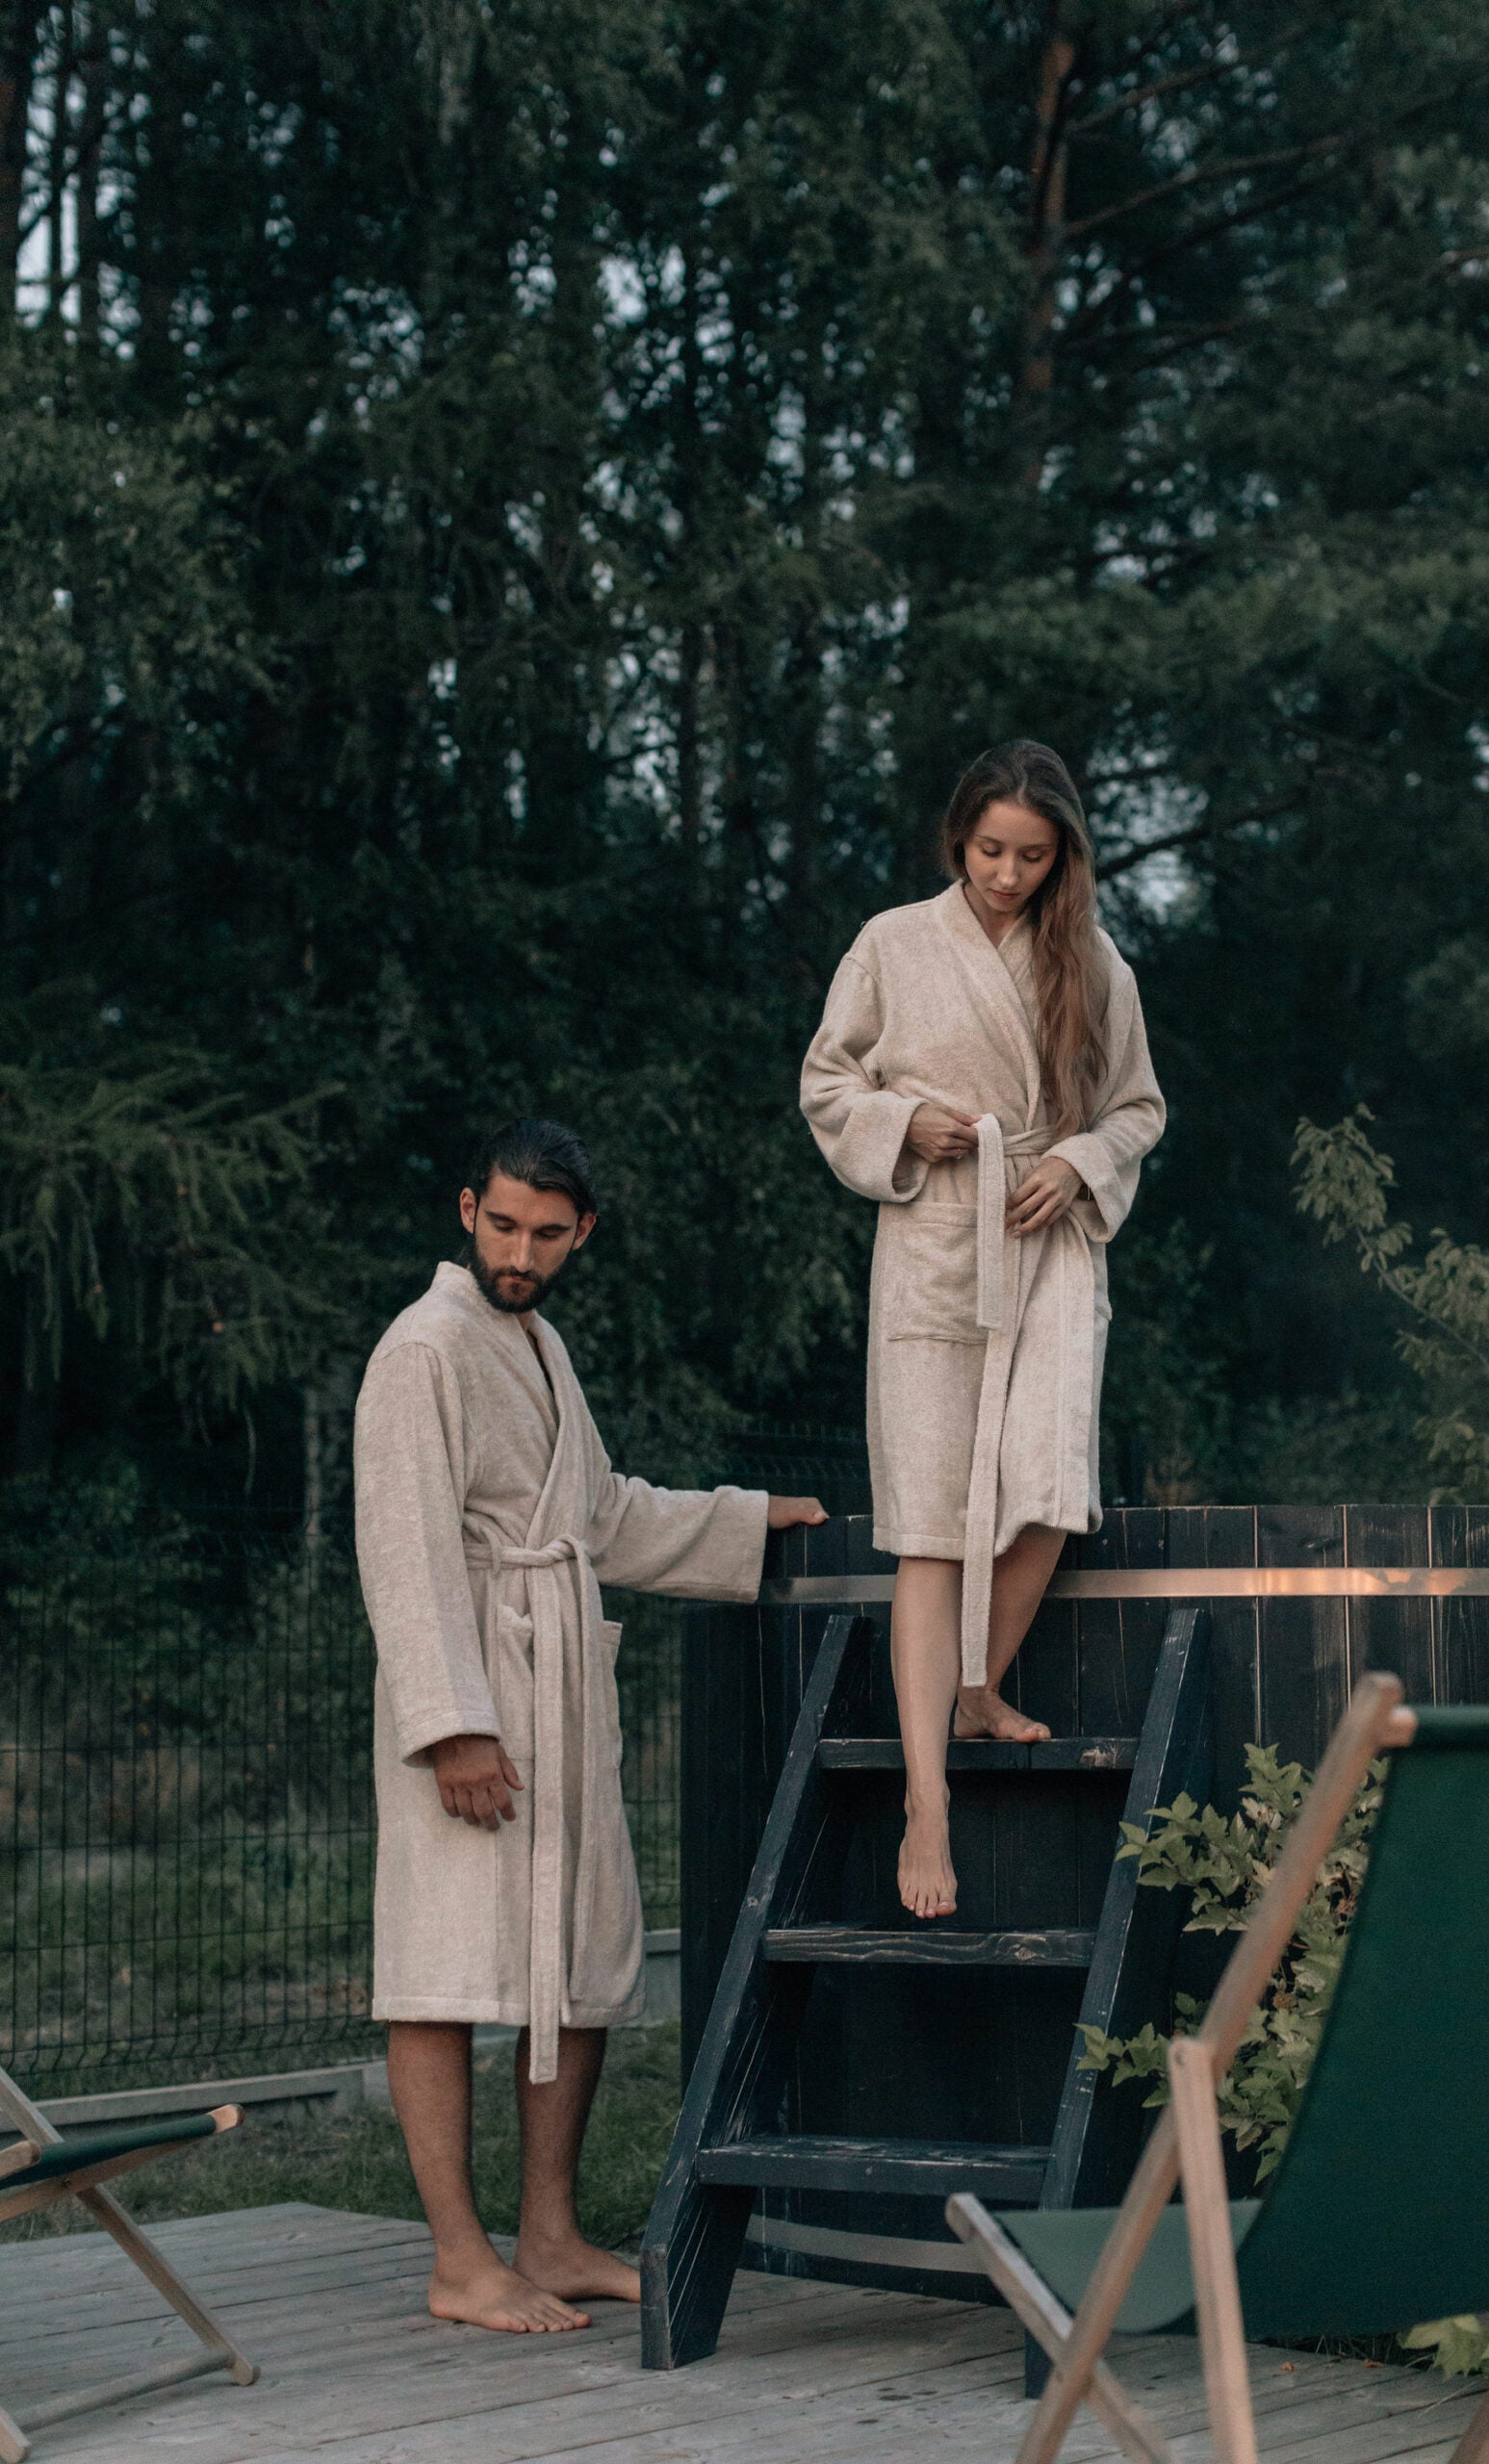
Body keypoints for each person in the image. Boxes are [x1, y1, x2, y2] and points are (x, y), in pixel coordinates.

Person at [354, 1118, 825, 2335]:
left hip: (559, 1686)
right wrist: (452, 1727)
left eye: (548, 1233)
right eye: (504, 1223)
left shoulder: (541, 1344)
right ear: (468, 1207)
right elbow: (401, 1548)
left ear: (582, 1234)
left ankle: (550, 2236)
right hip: (468, 1682)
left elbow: (601, 1514)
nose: (522, 1249)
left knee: (577, 1952)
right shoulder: (424, 1348)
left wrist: (748, 1517)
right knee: (443, 1963)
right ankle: (461, 2257)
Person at [800, 741, 1164, 1922]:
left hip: (1049, 1243)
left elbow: (1138, 1108)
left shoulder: (1094, 961)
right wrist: (907, 1122)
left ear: (1064, 857)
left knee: (1052, 1492)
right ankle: (927, 1796)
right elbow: (825, 1082)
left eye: (1033, 855)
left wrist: (1074, 1159)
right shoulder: (893, 943)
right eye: (991, 849)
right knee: (927, 1527)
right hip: (933, 1242)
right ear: (958, 839)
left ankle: (974, 1685)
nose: (1008, 874)